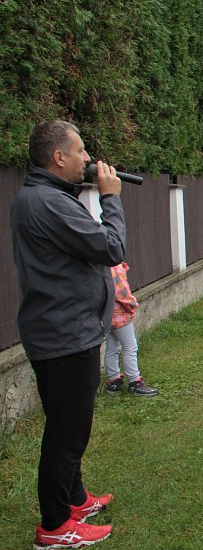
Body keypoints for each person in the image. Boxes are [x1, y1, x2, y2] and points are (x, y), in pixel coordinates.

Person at [10, 120, 125, 548]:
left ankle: (75, 499)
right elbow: (111, 248)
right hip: (64, 334)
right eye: (80, 151)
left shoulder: (46, 197)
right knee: (67, 435)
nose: (87, 158)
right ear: (58, 157)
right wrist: (111, 199)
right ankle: (55, 525)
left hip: (64, 329)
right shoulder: (47, 202)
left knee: (68, 425)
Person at [103, 262, 159, 397]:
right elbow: (122, 293)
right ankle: (135, 383)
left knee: (111, 347)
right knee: (130, 346)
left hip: (106, 314)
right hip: (119, 314)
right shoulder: (114, 267)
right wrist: (133, 305)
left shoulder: (101, 265)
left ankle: (114, 382)